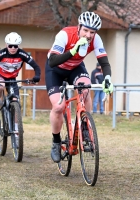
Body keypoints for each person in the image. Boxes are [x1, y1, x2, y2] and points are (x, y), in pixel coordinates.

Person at [45, 11, 114, 163]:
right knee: (58, 107)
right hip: (55, 70)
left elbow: (104, 63)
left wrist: (108, 78)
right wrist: (73, 50)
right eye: (86, 30)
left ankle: (84, 125)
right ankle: (56, 142)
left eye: (92, 32)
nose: (89, 35)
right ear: (79, 27)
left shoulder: (96, 39)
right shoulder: (65, 35)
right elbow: (52, 61)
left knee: (85, 90)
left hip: (75, 68)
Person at [0, 32, 41, 132]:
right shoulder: (1, 53)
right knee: (1, 85)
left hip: (12, 79)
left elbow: (36, 66)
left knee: (16, 102)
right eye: (10, 46)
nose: (13, 48)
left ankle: (16, 130)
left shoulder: (22, 54)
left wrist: (37, 76)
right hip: (0, 75)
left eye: (15, 46)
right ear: (6, 45)